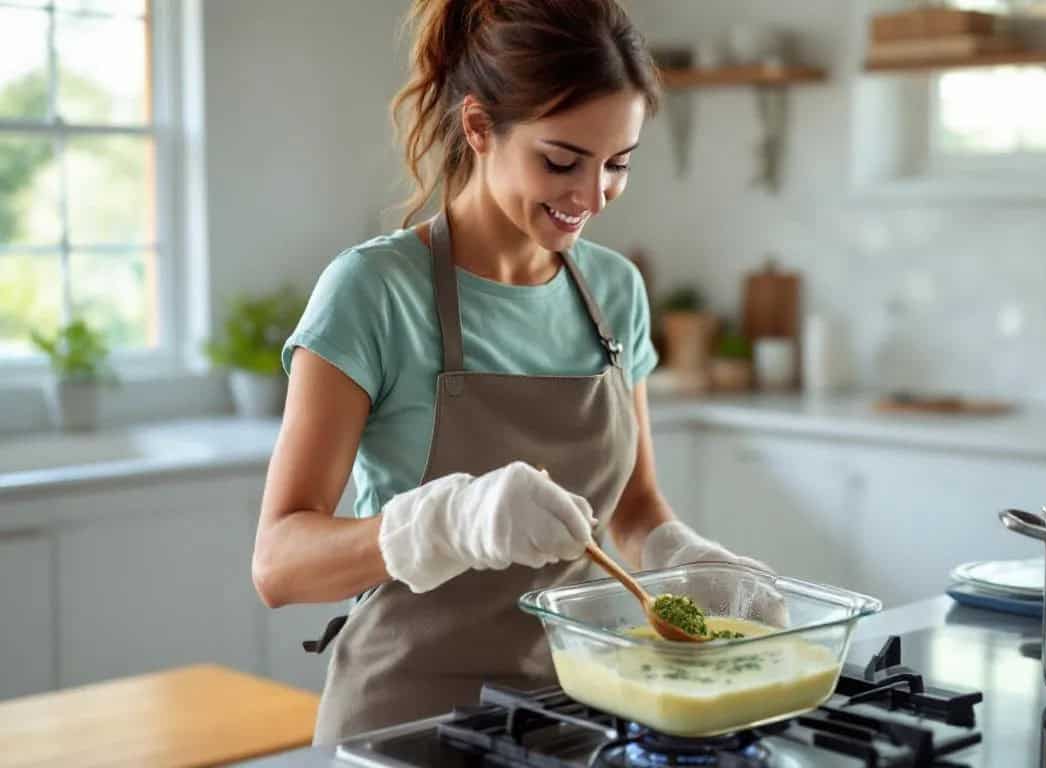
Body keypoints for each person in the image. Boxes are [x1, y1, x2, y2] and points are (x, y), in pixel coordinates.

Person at [250, 0, 774, 744]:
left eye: (617, 164)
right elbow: (279, 565)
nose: (591, 197)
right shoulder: (374, 291)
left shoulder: (613, 291)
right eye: (561, 160)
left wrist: (681, 555)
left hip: (578, 714)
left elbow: (633, 503)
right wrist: (445, 522)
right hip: (408, 723)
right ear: (477, 128)